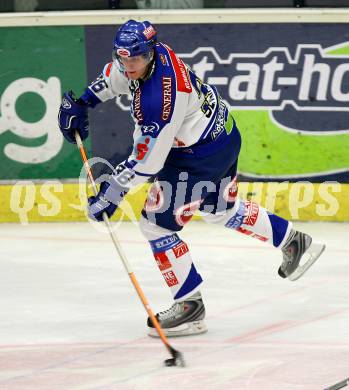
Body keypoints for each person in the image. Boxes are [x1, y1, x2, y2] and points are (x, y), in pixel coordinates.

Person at [58, 20, 325, 337]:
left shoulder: (159, 100)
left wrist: (114, 191)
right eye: (124, 58)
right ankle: (293, 241)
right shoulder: (153, 55)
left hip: (196, 157)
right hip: (222, 137)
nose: (129, 66)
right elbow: (116, 76)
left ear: (150, 54)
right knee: (219, 210)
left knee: (155, 224)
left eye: (135, 60)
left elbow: (148, 160)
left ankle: (189, 306)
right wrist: (84, 101)